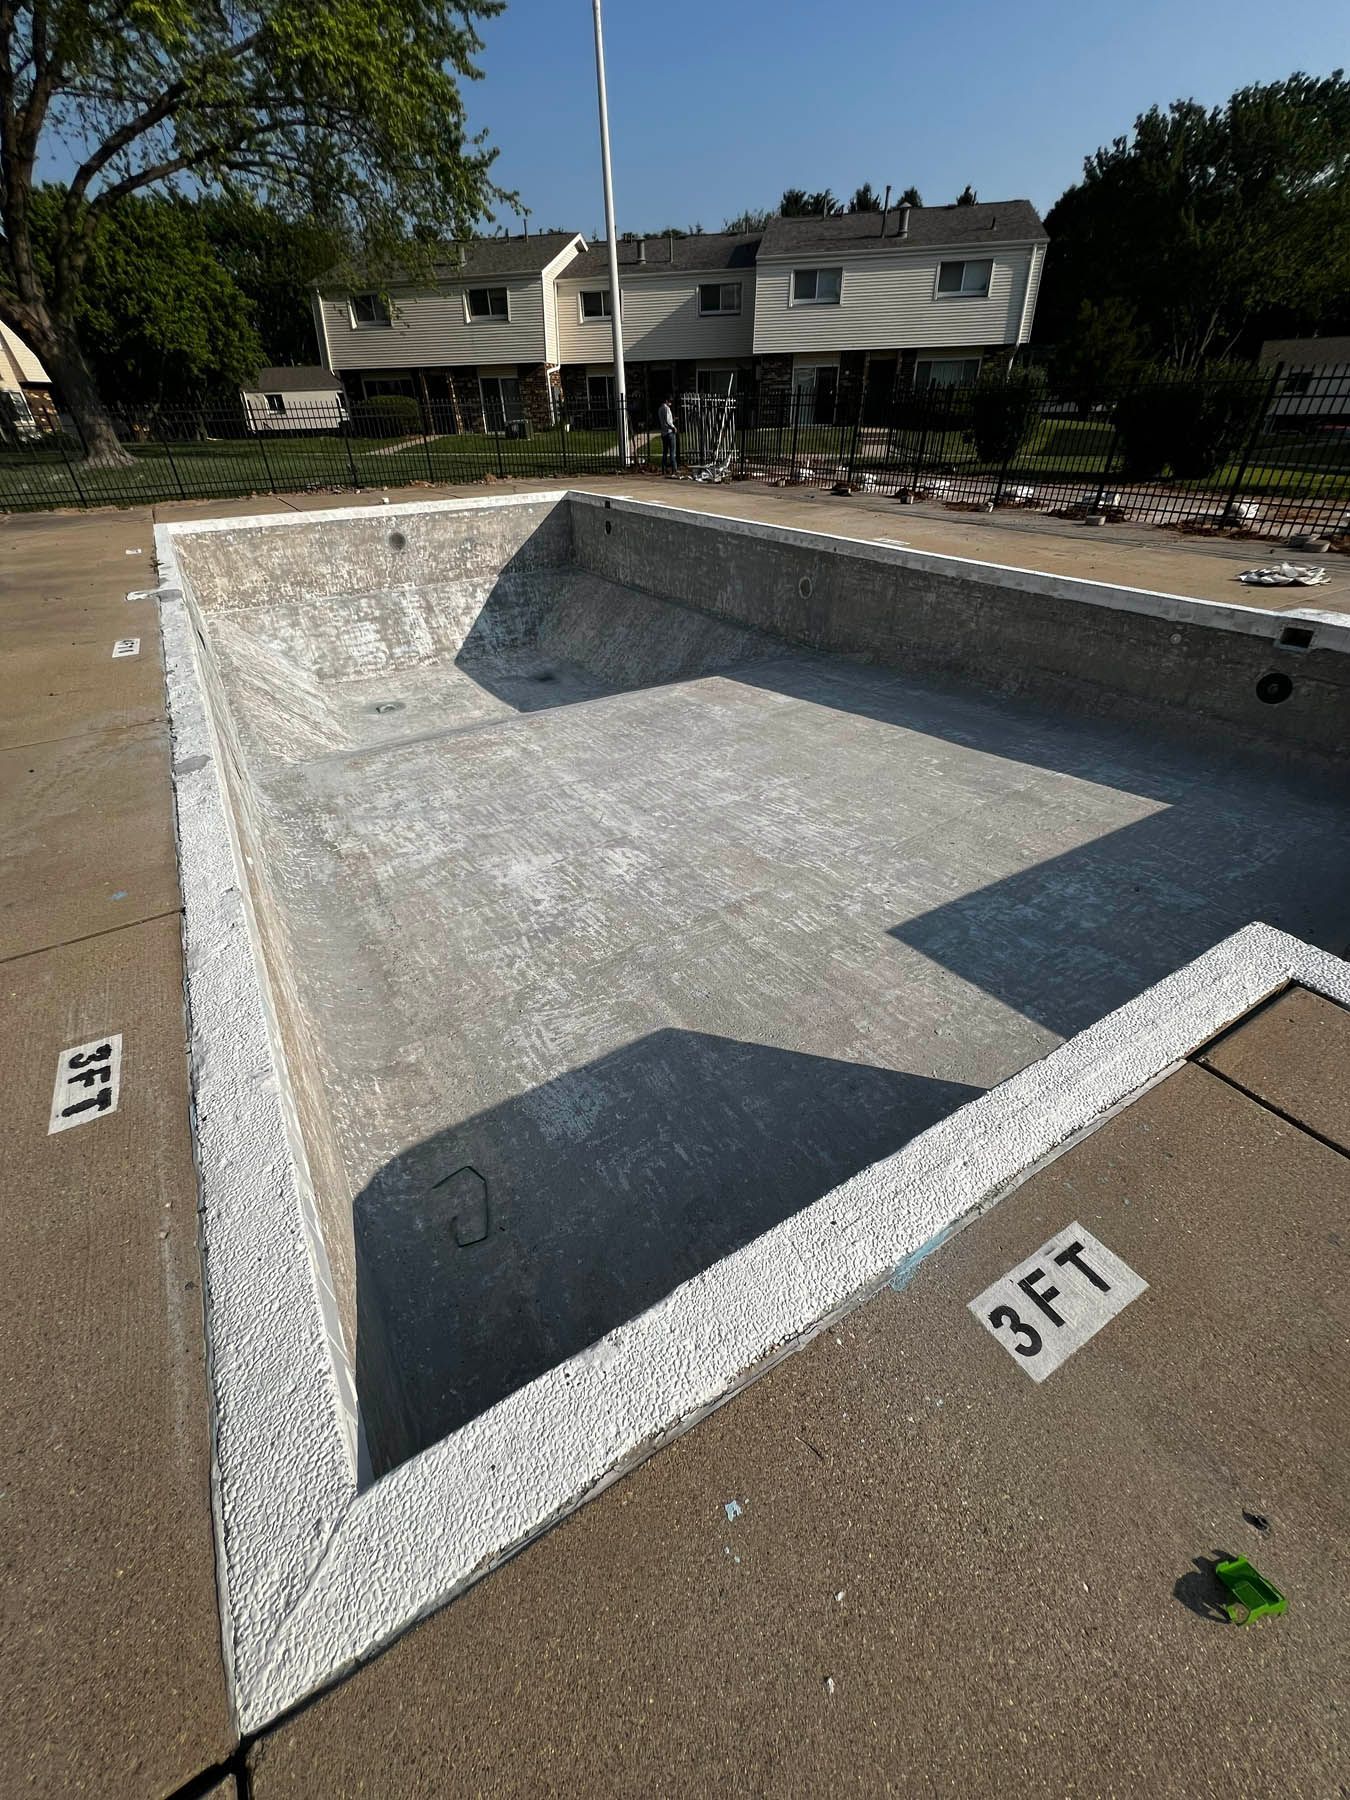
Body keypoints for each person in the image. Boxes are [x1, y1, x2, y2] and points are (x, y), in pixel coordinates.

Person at [658, 394, 678, 476]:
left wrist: (672, 420)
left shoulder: (660, 409)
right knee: (672, 452)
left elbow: (664, 420)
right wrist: (673, 427)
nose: (671, 403)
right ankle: (674, 469)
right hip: (669, 432)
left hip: (663, 432)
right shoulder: (666, 408)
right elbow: (668, 421)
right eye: (670, 401)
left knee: (665, 452)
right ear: (666, 401)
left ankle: (663, 468)